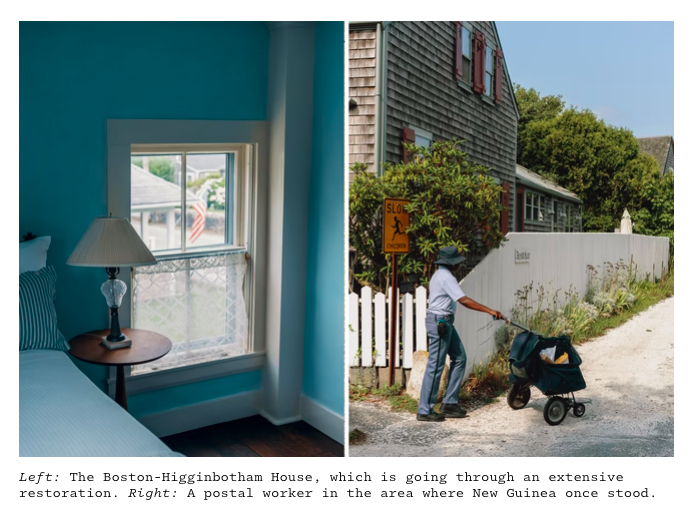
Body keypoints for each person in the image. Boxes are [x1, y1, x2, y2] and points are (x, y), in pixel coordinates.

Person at [417, 246, 505, 422]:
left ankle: (449, 403)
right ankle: (425, 409)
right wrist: (489, 311)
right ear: (451, 264)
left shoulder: (439, 275)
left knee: (460, 358)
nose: (459, 265)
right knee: (435, 366)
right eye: (457, 262)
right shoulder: (446, 277)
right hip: (440, 322)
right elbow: (463, 300)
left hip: (445, 322)